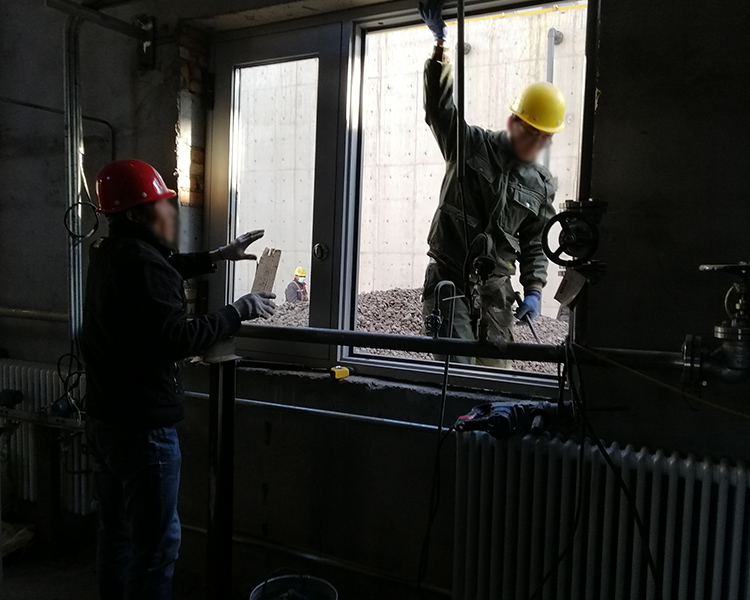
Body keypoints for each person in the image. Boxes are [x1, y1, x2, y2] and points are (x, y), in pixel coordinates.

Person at [80, 159, 276, 600]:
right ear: (136, 214)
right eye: (161, 205)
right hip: (142, 432)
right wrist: (237, 311)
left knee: (116, 535)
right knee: (156, 547)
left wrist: (217, 256)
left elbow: (158, 271)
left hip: (106, 421)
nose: (170, 212)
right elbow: (178, 338)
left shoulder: (110, 253)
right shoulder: (141, 263)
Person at [418, 0, 564, 368]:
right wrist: (440, 48)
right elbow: (439, 109)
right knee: (457, 370)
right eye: (530, 130)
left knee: (496, 375)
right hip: (449, 277)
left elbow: (535, 242)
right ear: (514, 122)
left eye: (543, 136)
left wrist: (534, 290)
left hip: (497, 289)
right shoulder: (469, 144)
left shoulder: (541, 184)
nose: (535, 141)